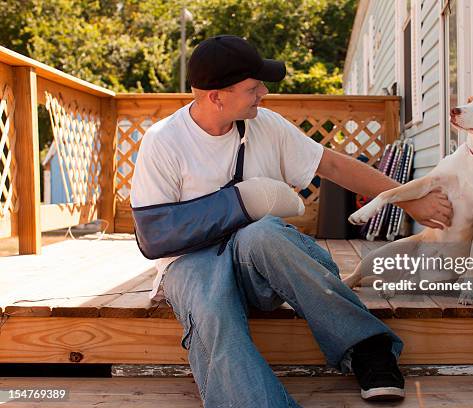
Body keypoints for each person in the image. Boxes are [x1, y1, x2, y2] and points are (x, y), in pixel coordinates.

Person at [130, 34, 453, 408]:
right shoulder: (163, 141)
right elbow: (154, 237)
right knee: (212, 309)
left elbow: (330, 163)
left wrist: (409, 200)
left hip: (259, 269)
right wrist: (241, 201)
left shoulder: (266, 125)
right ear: (216, 96)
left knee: (264, 233)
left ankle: (368, 348)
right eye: (253, 87)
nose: (263, 93)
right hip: (190, 264)